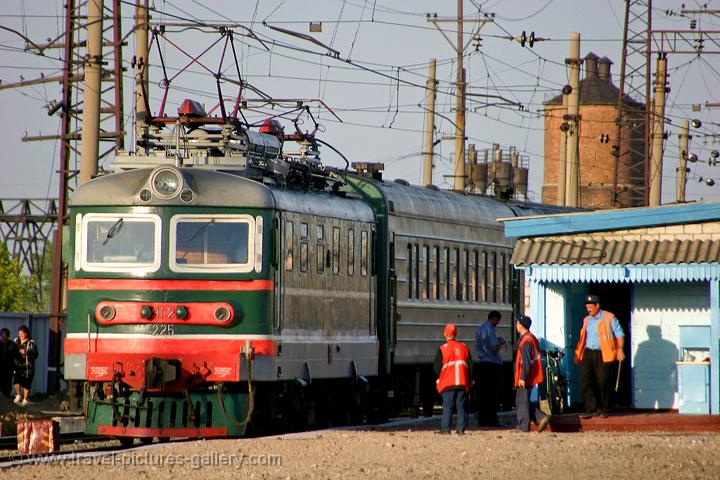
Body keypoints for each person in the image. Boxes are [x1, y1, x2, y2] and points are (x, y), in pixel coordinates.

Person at [574, 294, 625, 419]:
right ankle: (591, 408)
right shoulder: (587, 320)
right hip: (588, 352)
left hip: (604, 352)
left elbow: (619, 333)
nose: (588, 309)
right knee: (585, 380)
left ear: (597, 306)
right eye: (587, 306)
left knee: (604, 381)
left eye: (590, 306)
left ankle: (605, 408)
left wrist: (620, 349)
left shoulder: (609, 317)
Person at [514, 314, 551, 433]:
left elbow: (526, 361)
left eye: (517, 323)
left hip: (525, 375)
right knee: (524, 400)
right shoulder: (531, 338)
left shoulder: (526, 341)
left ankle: (523, 426)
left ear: (521, 325)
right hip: (531, 374)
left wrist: (522, 377)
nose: (516, 325)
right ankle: (541, 417)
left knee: (522, 401)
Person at [434, 323, 473, 435]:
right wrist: (470, 380)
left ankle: (446, 429)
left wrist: (441, 375)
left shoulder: (443, 349)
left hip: (448, 382)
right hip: (462, 381)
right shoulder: (464, 347)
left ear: (445, 334)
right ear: (456, 334)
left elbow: (436, 367)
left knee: (448, 406)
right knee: (461, 406)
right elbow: (470, 365)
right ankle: (461, 429)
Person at [475, 310, 505, 427]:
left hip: (482, 363)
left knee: (483, 394)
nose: (497, 323)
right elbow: (494, 349)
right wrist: (501, 342)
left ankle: (482, 419)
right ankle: (492, 420)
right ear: (494, 318)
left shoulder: (480, 329)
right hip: (491, 364)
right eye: (498, 320)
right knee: (492, 394)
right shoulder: (490, 329)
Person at [13, 325, 38, 406]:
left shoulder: (31, 343)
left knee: (27, 382)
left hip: (27, 366)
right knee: (16, 380)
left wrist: (27, 353)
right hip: (17, 365)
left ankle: (25, 398)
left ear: (26, 333)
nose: (20, 335)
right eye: (19, 333)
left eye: (22, 333)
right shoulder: (16, 341)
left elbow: (35, 354)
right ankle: (19, 395)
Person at [0, 328, 19, 397]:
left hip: (9, 367)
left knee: (7, 383)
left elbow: (17, 356)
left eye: (6, 335)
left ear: (8, 336)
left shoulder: (13, 345)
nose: (4, 336)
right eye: (2, 335)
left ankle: (7, 397)